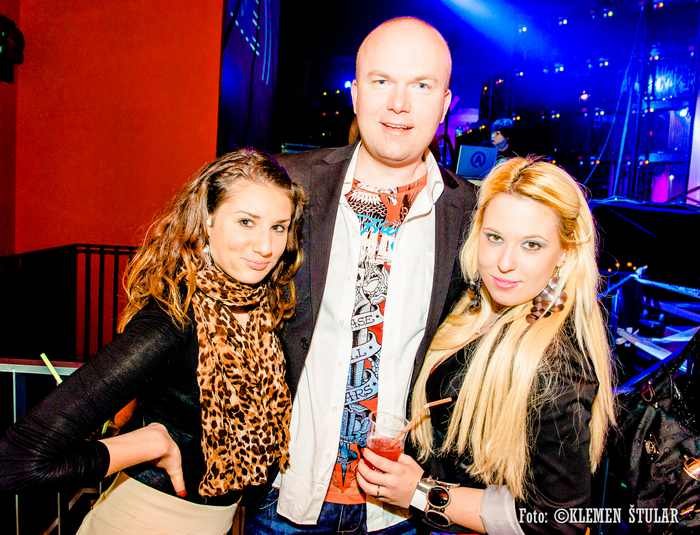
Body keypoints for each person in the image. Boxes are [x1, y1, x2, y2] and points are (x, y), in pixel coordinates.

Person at [244, 16, 476, 534]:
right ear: (356, 93)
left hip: (400, 511)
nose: (399, 103)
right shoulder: (287, 186)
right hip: (284, 494)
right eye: (381, 80)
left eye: (421, 85)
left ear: (444, 103)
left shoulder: (473, 216)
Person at [0, 148, 305, 535]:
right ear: (207, 220)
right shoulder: (171, 319)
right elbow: (16, 460)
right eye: (246, 222)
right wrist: (147, 444)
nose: (265, 246)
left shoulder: (263, 311)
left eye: (278, 227)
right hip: (144, 520)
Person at [355, 157, 617, 535]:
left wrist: (423, 493)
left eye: (531, 245)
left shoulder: (554, 364)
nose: (504, 263)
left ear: (565, 252)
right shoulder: (477, 305)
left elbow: (560, 521)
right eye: (494, 237)